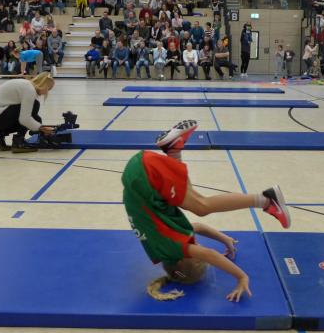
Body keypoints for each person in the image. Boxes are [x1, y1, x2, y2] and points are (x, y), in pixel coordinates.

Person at [123, 120, 291, 302]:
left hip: (145, 178)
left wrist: (241, 277)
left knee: (202, 207)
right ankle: (173, 149)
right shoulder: (164, 246)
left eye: (196, 256)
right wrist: (224, 238)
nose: (198, 247)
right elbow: (198, 227)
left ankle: (267, 200)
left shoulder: (172, 249)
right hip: (140, 179)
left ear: (181, 261)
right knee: (189, 196)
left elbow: (210, 255)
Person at [0, 72, 55, 152]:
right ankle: (19, 142)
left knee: (35, 118)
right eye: (48, 89)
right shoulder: (29, 89)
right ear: (43, 85)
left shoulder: (26, 85)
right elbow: (25, 119)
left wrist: (39, 126)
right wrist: (41, 128)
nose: (46, 93)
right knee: (34, 107)